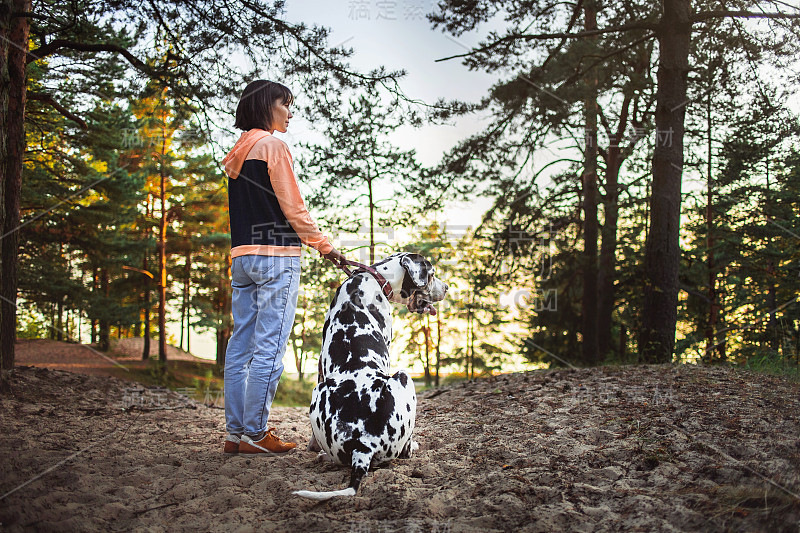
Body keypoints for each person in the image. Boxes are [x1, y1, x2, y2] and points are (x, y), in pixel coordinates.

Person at [220, 80, 346, 455]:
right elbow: (293, 208)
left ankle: (235, 435)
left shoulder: (236, 153)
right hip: (276, 258)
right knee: (270, 348)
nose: (290, 112)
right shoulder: (273, 146)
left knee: (240, 346)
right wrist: (325, 247)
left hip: (242, 257)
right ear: (265, 105)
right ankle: (256, 434)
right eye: (285, 104)